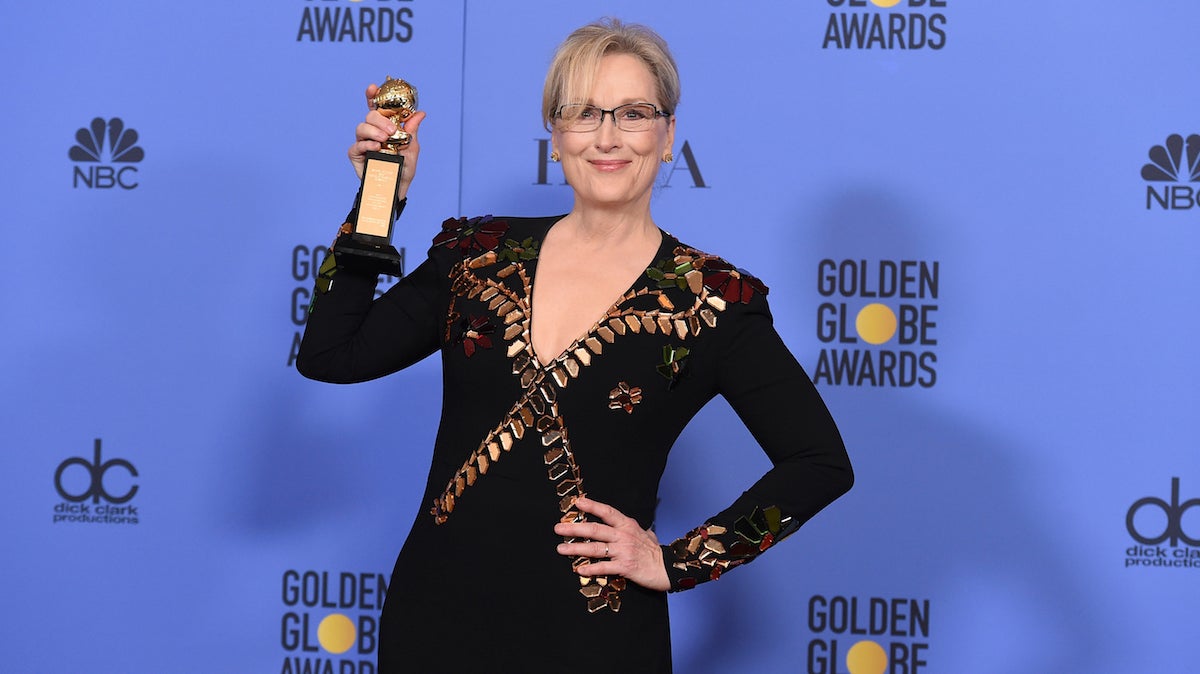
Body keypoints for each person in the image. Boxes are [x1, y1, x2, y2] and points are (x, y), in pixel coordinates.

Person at [297, 18, 853, 674]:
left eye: (635, 113)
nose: (609, 136)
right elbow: (331, 354)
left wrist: (677, 561)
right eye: (585, 112)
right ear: (555, 136)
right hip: (436, 622)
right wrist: (376, 198)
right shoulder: (479, 257)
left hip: (596, 638)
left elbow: (820, 462)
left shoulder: (711, 301)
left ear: (668, 136)